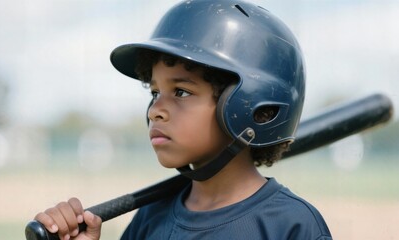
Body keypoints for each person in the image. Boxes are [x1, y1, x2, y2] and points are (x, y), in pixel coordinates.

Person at [34, 0, 332, 239]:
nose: (155, 110)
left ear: (251, 106)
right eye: (154, 92)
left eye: (181, 91)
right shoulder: (150, 218)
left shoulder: (292, 226)